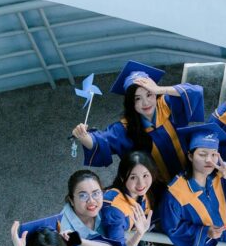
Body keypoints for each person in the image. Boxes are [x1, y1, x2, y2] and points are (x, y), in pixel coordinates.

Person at [71, 60, 205, 181]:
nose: (145, 103)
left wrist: (160, 89)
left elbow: (195, 91)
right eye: (137, 98)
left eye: (149, 94)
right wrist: (84, 137)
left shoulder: (168, 105)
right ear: (130, 102)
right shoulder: (124, 128)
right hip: (159, 188)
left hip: (193, 173)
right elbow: (102, 140)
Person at [101, 151, 158, 246]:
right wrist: (139, 234)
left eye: (145, 175)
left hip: (132, 233)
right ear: (122, 178)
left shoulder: (140, 193)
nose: (141, 184)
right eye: (133, 177)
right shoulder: (114, 209)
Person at [59, 169, 105, 240]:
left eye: (96, 193)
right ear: (71, 200)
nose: (91, 201)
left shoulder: (109, 206)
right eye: (83, 196)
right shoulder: (63, 229)